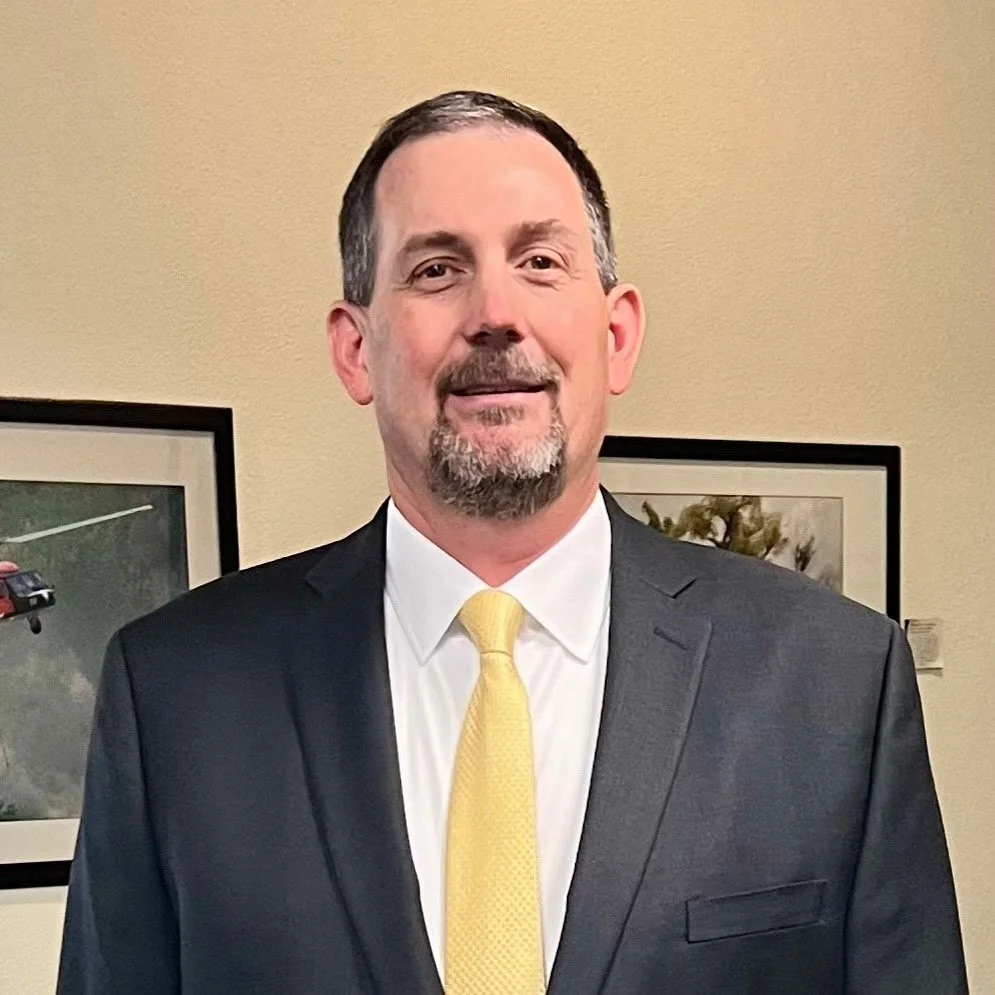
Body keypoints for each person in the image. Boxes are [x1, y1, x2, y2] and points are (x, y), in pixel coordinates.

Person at [57, 90, 967, 994]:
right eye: (435, 269)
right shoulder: (175, 691)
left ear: (617, 335)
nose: (495, 311)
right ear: (355, 350)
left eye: (539, 261)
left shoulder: (832, 682)